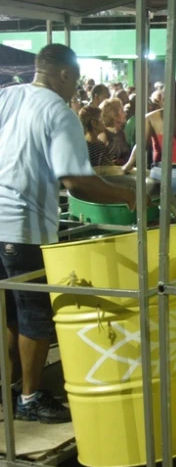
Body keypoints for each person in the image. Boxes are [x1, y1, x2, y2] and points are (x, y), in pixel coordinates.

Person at [0, 44, 138, 423]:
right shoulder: (59, 113)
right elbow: (77, 182)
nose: (75, 88)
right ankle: (30, 397)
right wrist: (127, 196)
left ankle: (11, 387)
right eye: (75, 79)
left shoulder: (7, 96)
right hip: (22, 226)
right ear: (63, 74)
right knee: (35, 315)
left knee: (10, 312)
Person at [99, 98, 131, 165]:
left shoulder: (122, 133)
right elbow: (99, 160)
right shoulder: (103, 135)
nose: (125, 114)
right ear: (114, 115)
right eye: (122, 111)